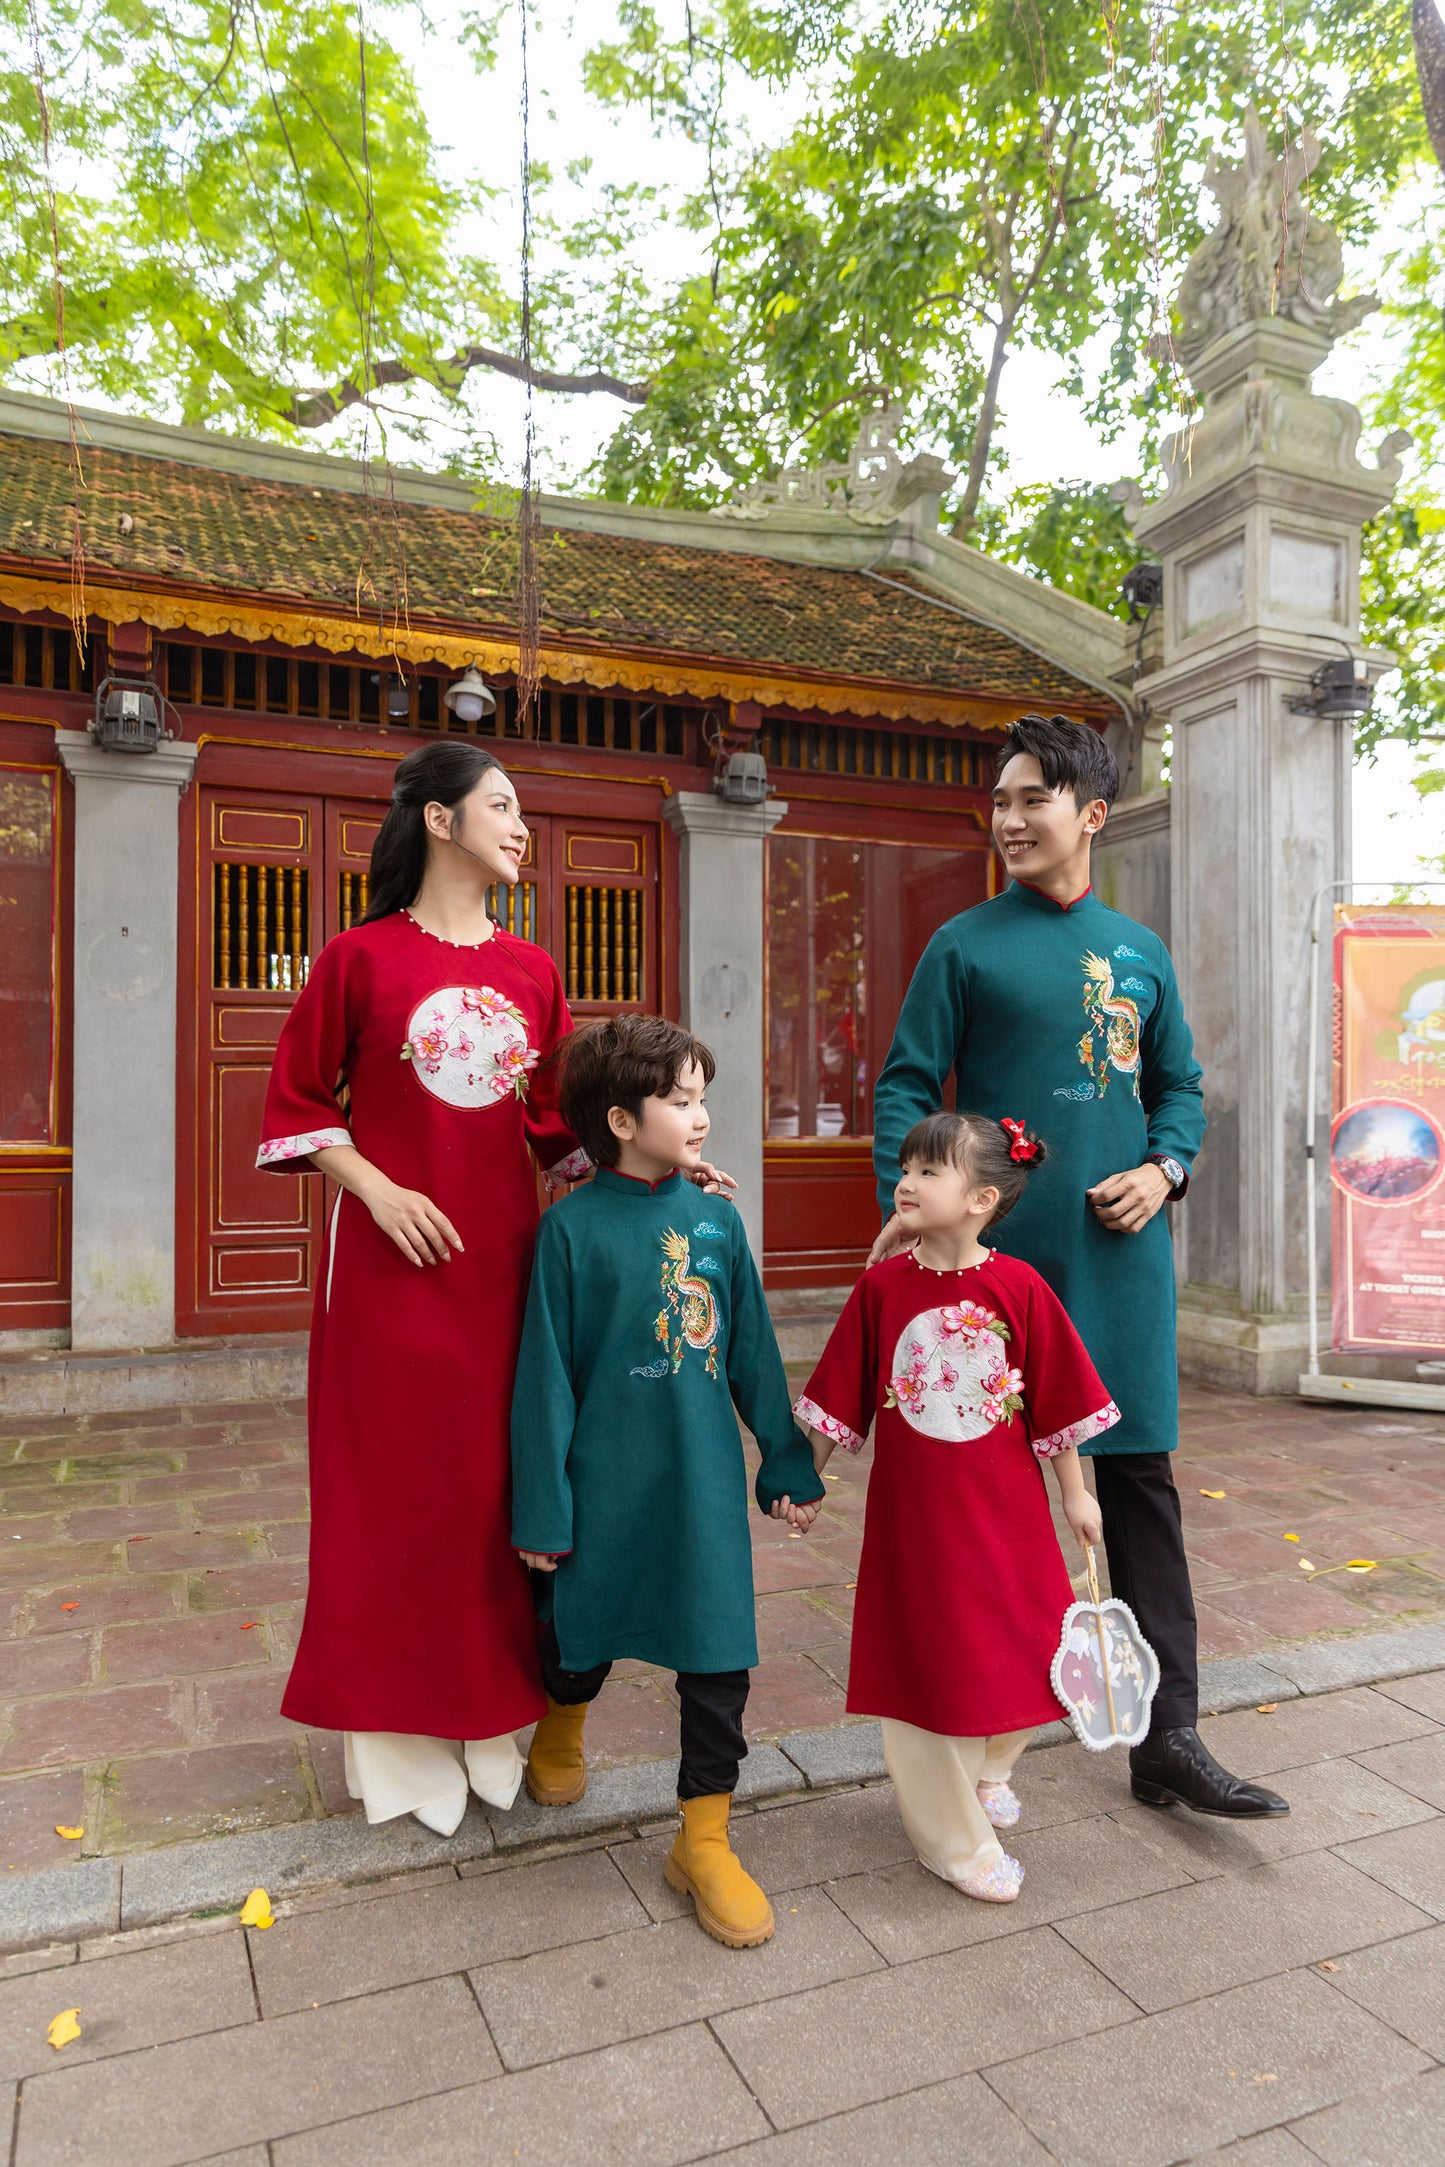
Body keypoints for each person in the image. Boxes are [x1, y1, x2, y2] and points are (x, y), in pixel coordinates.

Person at [870, 713, 1288, 1821]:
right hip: (995, 1277)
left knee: (1139, 1490)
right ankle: (971, 1749)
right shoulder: (962, 944)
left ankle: (1170, 1739)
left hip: (1117, 1268)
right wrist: (913, 1214)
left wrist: (1166, 1170)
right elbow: (906, 1088)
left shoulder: (1140, 953)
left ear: (1088, 814)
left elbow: (1180, 1088)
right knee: (982, 1506)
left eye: (1029, 800)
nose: (1006, 819)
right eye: (998, 802)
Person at [255, 742, 592, 1833]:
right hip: (388, 1272)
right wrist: (377, 1185)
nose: (521, 825)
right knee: (389, 1493)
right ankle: (393, 1743)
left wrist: (656, 1161)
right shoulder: (355, 960)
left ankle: (485, 1723)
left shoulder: (534, 973)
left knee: (490, 1492)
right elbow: (298, 1105)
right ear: (439, 821)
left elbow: (555, 1129)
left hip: (504, 1270)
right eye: (501, 805)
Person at [511, 1014, 825, 1947]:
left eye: (701, 1098)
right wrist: (543, 1505)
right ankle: (562, 1724)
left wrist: (784, 1455)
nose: (700, 1116)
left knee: (718, 1656)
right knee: (577, 1640)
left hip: (700, 1489)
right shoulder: (565, 1233)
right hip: (602, 1488)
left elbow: (753, 1355)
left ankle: (704, 1838)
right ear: (618, 1118)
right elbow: (545, 1381)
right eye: (679, 1100)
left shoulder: (718, 1220)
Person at [796, 1111, 1112, 1900]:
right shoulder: (880, 1288)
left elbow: (1057, 1400)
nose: (905, 1180)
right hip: (915, 1522)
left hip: (1005, 1510)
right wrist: (806, 1479)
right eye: (906, 1165)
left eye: (928, 1171)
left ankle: (988, 1766)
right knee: (924, 1656)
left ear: (980, 1199)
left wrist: (1076, 1495)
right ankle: (950, 1839)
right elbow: (839, 1392)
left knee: (1029, 1633)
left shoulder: (1020, 1288)